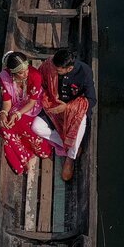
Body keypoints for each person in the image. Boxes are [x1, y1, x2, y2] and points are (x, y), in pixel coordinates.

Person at [38, 48, 96, 182]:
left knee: (79, 129)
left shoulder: (85, 72)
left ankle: (70, 157)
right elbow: (40, 79)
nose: (53, 71)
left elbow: (92, 100)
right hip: (54, 105)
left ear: (69, 69)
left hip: (75, 110)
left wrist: (68, 107)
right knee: (37, 127)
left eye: (58, 70)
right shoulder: (50, 64)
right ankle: (66, 144)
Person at [0, 51, 54, 175]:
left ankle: (36, 151)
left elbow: (31, 103)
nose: (26, 73)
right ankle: (24, 156)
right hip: (16, 105)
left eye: (27, 69)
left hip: (31, 107)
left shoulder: (35, 76)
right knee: (3, 125)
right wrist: (3, 113)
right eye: (21, 72)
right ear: (13, 73)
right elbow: (7, 102)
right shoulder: (4, 77)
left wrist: (17, 114)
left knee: (22, 123)